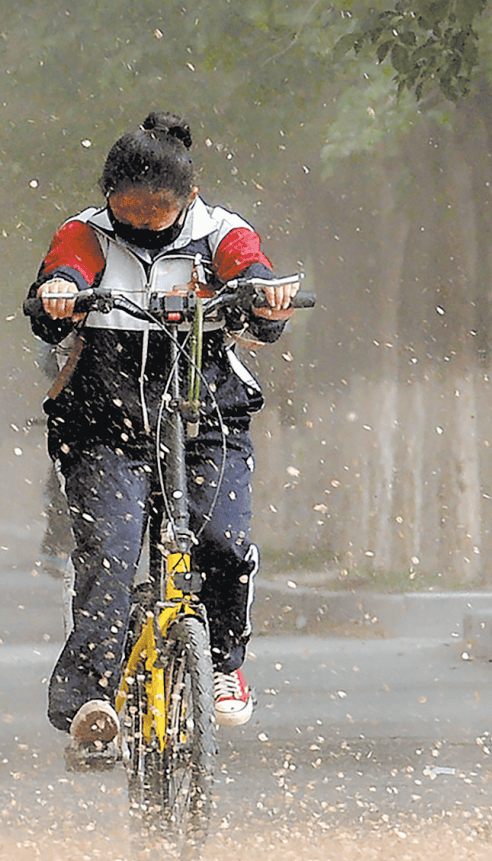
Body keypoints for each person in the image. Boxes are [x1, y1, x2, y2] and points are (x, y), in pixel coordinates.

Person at [25, 110, 299, 756]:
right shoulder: (85, 234)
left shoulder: (219, 232)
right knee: (111, 556)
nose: (145, 219)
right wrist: (61, 291)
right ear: (107, 195)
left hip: (205, 416)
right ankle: (90, 700)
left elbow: (251, 268)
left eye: (159, 207)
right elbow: (60, 275)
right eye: (130, 205)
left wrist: (262, 294)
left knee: (225, 543)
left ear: (189, 197)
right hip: (104, 423)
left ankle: (224, 663)